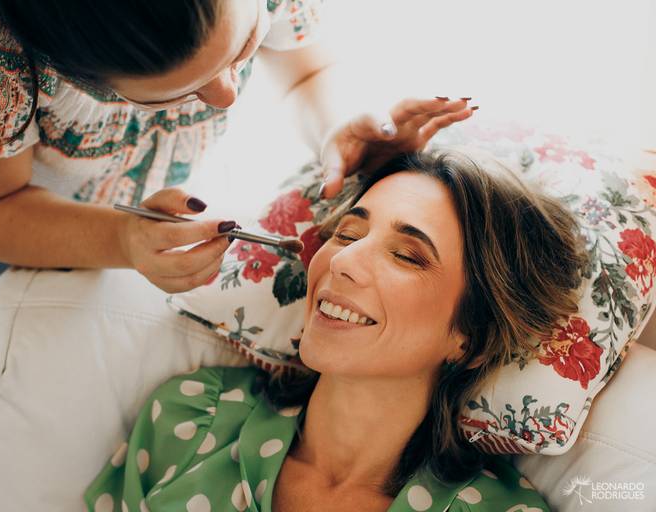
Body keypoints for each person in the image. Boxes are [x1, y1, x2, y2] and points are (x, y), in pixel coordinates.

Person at [84, 150, 587, 511]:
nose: (342, 259)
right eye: (348, 232)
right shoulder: (193, 418)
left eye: (406, 255)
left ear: (471, 337)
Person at [0, 0, 475, 315]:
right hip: (9, 211)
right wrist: (120, 239)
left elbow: (309, 71)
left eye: (245, 47)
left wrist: (334, 127)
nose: (227, 96)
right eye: (177, 93)